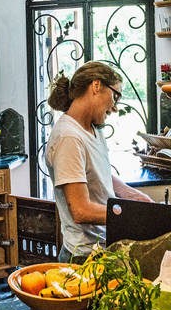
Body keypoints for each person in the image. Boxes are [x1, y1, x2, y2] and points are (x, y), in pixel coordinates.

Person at [45, 61, 154, 263]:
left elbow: (97, 173)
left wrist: (133, 196)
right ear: (96, 86)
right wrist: (133, 216)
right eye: (116, 96)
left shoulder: (93, 128)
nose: (115, 107)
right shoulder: (69, 137)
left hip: (103, 247)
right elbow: (80, 210)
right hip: (84, 256)